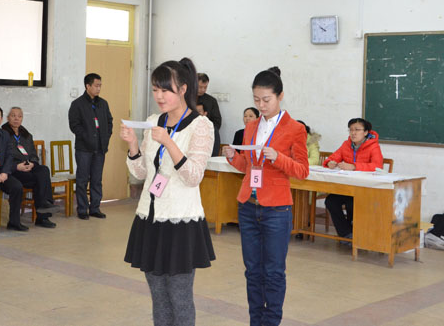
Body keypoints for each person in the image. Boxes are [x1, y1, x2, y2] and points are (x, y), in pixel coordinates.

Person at [121, 58, 215, 326]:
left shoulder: (201, 125)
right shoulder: (154, 122)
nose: (159, 96)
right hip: (150, 218)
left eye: (166, 90)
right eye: (155, 90)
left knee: (179, 296)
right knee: (158, 297)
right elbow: (141, 173)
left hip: (180, 221)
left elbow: (193, 176)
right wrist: (133, 145)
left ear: (183, 89)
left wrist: (170, 143)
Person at [224, 67, 309, 326]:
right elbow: (248, 166)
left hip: (276, 210)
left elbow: (302, 171)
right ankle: (255, 321)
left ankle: (271, 322)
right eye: (256, 100)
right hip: (248, 207)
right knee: (252, 271)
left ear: (280, 96)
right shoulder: (251, 126)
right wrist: (233, 157)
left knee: (273, 272)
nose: (261, 105)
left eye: (266, 100)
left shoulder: (295, 128)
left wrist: (278, 157)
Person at [323, 118, 383, 239]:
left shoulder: (373, 146)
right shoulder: (346, 144)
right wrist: (330, 162)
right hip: (347, 188)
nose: (353, 133)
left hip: (365, 189)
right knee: (330, 201)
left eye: (357, 130)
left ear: (365, 132)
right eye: (350, 130)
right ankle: (346, 233)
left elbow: (377, 166)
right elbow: (333, 157)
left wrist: (354, 166)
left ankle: (355, 234)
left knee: (352, 203)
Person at [2, 106, 59, 228]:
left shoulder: (26, 135)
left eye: (19, 116)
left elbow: (33, 154)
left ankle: (45, 204)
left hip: (29, 167)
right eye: (13, 116)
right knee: (40, 180)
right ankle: (43, 215)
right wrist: (16, 166)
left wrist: (32, 163)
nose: (16, 118)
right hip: (14, 170)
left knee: (44, 170)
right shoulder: (3, 134)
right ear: (7, 118)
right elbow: (2, 157)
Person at [68, 73, 113, 220]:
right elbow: (74, 125)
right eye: (96, 85)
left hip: (100, 148)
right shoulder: (77, 104)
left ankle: (95, 208)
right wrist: (87, 137)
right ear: (88, 86)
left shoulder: (103, 104)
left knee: (96, 179)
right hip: (84, 149)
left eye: (100, 85)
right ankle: (82, 209)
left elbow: (109, 122)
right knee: (82, 180)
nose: (99, 88)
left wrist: (106, 137)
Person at [197, 73, 222, 155]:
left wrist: (205, 123)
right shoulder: (185, 99)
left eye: (205, 87)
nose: (203, 90)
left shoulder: (211, 101)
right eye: (200, 87)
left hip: (208, 134)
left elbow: (217, 122)